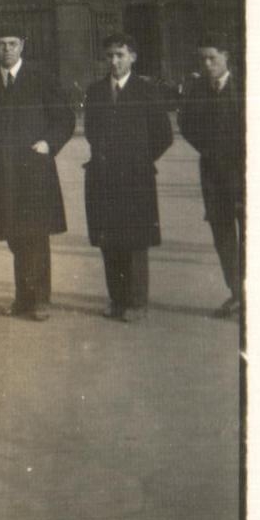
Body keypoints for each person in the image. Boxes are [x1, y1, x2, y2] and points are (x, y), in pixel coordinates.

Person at [0, 27, 74, 320]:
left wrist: (49, 143)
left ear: (22, 46)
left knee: (36, 236)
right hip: (3, 175)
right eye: (1, 44)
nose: (7, 49)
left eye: (12, 43)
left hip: (35, 172)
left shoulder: (41, 80)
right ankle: (23, 298)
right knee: (15, 238)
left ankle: (40, 300)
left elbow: (64, 118)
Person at [82, 33, 173, 323]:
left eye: (120, 55)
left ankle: (136, 302)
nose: (114, 61)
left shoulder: (147, 91)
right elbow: (92, 132)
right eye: (109, 55)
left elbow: (163, 135)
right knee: (109, 240)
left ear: (133, 57)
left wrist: (139, 160)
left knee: (134, 241)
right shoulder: (95, 92)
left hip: (136, 177)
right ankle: (116, 298)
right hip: (104, 177)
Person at [178, 37, 244, 317]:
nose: (207, 65)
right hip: (214, 177)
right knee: (223, 237)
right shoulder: (197, 90)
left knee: (251, 237)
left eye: (212, 58)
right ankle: (236, 293)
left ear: (226, 56)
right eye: (202, 60)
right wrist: (207, 147)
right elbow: (186, 122)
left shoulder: (245, 86)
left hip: (244, 175)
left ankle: (254, 296)